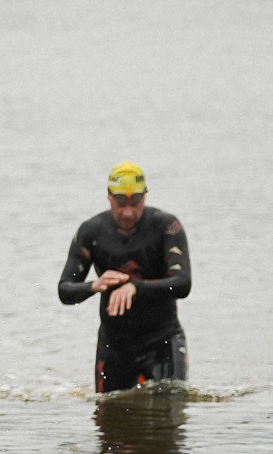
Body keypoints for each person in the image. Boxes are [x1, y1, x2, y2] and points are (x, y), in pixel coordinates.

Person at [58, 162, 193, 394]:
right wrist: (94, 286)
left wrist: (135, 286)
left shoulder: (166, 227)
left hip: (161, 339)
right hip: (114, 344)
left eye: (136, 202)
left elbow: (183, 284)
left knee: (170, 412)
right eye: (121, 202)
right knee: (108, 416)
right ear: (109, 197)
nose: (128, 212)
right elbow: (65, 291)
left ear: (145, 197)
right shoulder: (91, 232)